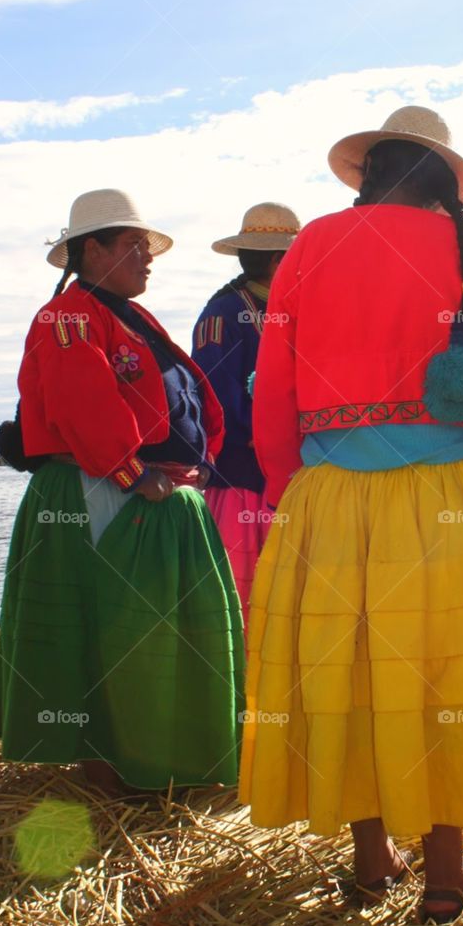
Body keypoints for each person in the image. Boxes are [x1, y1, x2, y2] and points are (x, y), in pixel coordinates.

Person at [237, 107, 463, 921]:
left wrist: (291, 488)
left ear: (369, 174)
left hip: (331, 500)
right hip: (450, 496)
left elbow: (271, 385)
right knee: (446, 675)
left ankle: (369, 858)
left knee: (352, 671)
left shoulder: (310, 246)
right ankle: (446, 875)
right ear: (446, 184)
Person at [0, 189, 244, 797]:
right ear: (91, 250)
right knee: (112, 629)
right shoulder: (70, 316)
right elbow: (85, 403)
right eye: (132, 245)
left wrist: (199, 462)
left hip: (150, 493)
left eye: (147, 247)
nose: (147, 258)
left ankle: (155, 760)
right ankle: (110, 774)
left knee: (147, 630)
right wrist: (136, 475)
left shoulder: (131, 316)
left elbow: (178, 398)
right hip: (99, 491)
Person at [192, 203, 300, 623]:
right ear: (278, 261)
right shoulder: (224, 313)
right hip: (243, 477)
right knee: (244, 597)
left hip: (292, 474)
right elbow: (214, 391)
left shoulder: (293, 310)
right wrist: (264, 433)